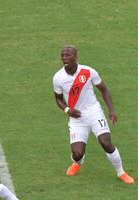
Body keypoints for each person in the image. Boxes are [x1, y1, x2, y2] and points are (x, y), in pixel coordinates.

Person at [53, 45, 134, 184]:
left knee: (106, 142)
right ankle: (78, 162)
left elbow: (104, 90)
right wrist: (68, 110)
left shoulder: (88, 71)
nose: (64, 58)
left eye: (68, 55)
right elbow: (58, 99)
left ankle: (121, 172)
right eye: (63, 55)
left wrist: (111, 110)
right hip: (76, 118)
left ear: (76, 57)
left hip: (94, 113)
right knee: (77, 154)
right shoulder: (58, 78)